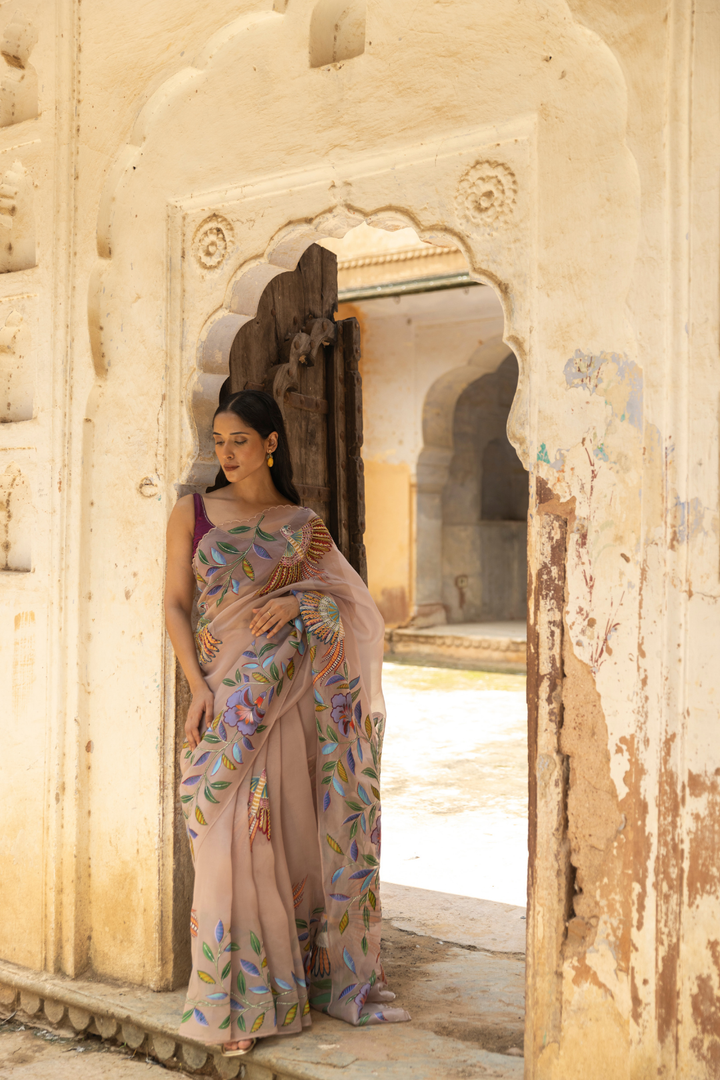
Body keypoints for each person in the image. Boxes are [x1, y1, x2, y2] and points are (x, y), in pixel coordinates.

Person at [164, 390, 409, 1057]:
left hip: (288, 701)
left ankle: (277, 993)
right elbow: (175, 607)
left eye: (239, 441)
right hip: (223, 702)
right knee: (217, 838)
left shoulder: (304, 526)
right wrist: (195, 688)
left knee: (280, 841)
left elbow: (355, 611)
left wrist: (301, 605)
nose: (226, 454)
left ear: (271, 443)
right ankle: (229, 995)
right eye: (218, 441)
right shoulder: (191, 513)